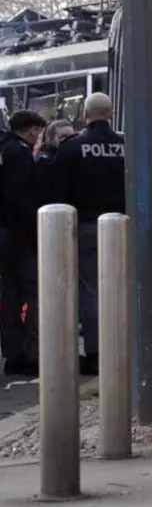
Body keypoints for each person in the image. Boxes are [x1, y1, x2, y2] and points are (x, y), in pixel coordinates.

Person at [50, 93, 123, 376]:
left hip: (85, 227)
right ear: (111, 113)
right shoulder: (126, 145)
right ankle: (125, 347)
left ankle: (96, 353)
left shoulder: (72, 148)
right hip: (122, 226)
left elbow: (56, 190)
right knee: (122, 287)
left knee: (91, 291)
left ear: (86, 114)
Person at [0, 110, 46, 376]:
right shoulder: (19, 154)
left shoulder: (4, 149)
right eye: (39, 130)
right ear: (31, 130)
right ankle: (29, 352)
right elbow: (22, 196)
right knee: (32, 291)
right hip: (21, 234)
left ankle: (11, 352)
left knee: (9, 294)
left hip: (5, 232)